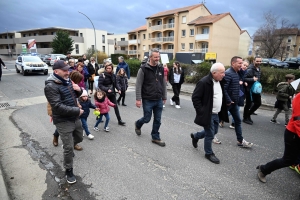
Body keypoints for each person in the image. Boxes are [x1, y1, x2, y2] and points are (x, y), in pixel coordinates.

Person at [44, 60, 84, 184]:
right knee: (68, 148)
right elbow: (57, 106)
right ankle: (68, 171)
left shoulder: (67, 81)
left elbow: (73, 96)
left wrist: (79, 91)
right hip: (62, 120)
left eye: (68, 69)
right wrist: (77, 111)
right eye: (65, 70)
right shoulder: (50, 86)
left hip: (74, 117)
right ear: (56, 71)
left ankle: (69, 146)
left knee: (79, 137)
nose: (68, 72)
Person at [256, 92, 300, 187]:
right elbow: (298, 121)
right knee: (287, 160)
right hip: (294, 134)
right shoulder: (299, 97)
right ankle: (263, 170)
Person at [190, 63, 228, 164]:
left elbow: (221, 95)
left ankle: (196, 136)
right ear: (214, 72)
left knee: (214, 131)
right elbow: (195, 98)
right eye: (222, 72)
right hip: (208, 114)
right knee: (210, 134)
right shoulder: (204, 82)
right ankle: (209, 153)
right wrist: (202, 111)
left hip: (217, 113)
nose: (224, 74)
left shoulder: (221, 81)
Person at [135, 48, 167, 147]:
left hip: (158, 99)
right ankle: (138, 124)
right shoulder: (143, 69)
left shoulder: (161, 68)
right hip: (147, 99)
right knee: (147, 118)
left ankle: (155, 137)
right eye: (155, 57)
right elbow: (138, 84)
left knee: (158, 120)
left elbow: (163, 83)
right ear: (150, 57)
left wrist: (164, 96)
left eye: (158, 56)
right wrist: (138, 99)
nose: (158, 59)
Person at [223, 56, 254, 148]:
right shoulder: (228, 73)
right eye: (239, 63)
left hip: (235, 103)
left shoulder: (237, 73)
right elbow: (224, 89)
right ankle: (198, 135)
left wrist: (242, 70)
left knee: (238, 121)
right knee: (215, 123)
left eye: (242, 63)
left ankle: (240, 140)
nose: (242, 65)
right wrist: (228, 101)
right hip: (228, 103)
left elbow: (243, 76)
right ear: (233, 63)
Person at [243, 56, 262, 125]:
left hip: (256, 90)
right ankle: (245, 118)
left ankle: (248, 114)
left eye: (260, 61)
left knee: (258, 103)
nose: (259, 62)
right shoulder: (250, 69)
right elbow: (244, 78)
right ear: (254, 61)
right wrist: (252, 79)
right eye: (257, 61)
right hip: (250, 90)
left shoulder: (259, 68)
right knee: (248, 104)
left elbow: (258, 78)